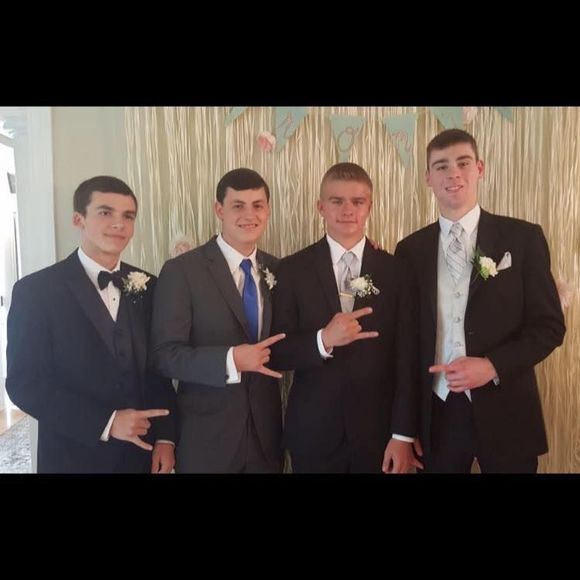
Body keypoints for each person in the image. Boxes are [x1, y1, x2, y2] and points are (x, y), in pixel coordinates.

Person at [395, 129, 566, 473]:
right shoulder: (410, 250)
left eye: (463, 162)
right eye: (441, 166)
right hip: (437, 415)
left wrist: (491, 366)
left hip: (508, 410)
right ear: (428, 177)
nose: (453, 173)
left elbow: (549, 327)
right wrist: (403, 429)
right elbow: (405, 343)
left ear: (480, 168)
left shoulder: (523, 238)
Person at [6, 176, 176, 473]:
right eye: (105, 212)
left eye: (128, 216)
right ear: (78, 219)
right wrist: (106, 422)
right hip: (73, 457)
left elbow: (158, 370)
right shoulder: (36, 291)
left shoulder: (149, 286)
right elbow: (25, 384)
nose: (119, 224)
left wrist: (165, 438)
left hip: (141, 455)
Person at [270, 162, 421, 473]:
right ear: (321, 207)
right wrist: (322, 340)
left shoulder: (396, 271)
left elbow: (408, 358)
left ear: (370, 207)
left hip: (379, 433)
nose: (347, 210)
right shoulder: (292, 269)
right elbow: (277, 352)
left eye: (357, 201)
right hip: (314, 433)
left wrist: (402, 434)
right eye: (336, 201)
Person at [150, 168, 285, 473]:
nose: (249, 215)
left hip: (265, 440)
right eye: (238, 205)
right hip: (207, 439)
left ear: (267, 211)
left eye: (258, 205)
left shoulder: (278, 269)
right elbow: (164, 356)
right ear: (219, 210)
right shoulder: (182, 271)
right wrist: (230, 359)